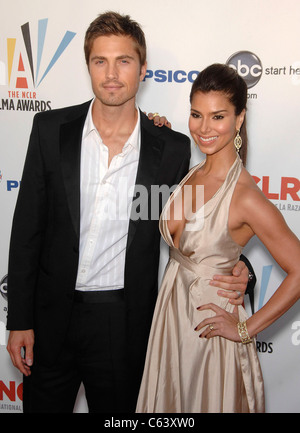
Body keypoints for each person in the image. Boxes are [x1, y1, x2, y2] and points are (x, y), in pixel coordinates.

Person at [6, 13, 252, 413]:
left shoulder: (170, 149)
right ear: (88, 66)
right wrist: (19, 318)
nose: (111, 74)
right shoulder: (51, 130)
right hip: (50, 320)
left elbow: (200, 227)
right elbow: (26, 230)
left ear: (143, 70)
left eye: (123, 61)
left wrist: (240, 267)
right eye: (100, 61)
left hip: (123, 324)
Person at [136, 63, 300, 413]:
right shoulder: (194, 170)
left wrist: (245, 329)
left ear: (239, 119)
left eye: (218, 116)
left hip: (208, 326)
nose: (204, 128)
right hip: (171, 315)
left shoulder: (245, 196)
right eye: (196, 115)